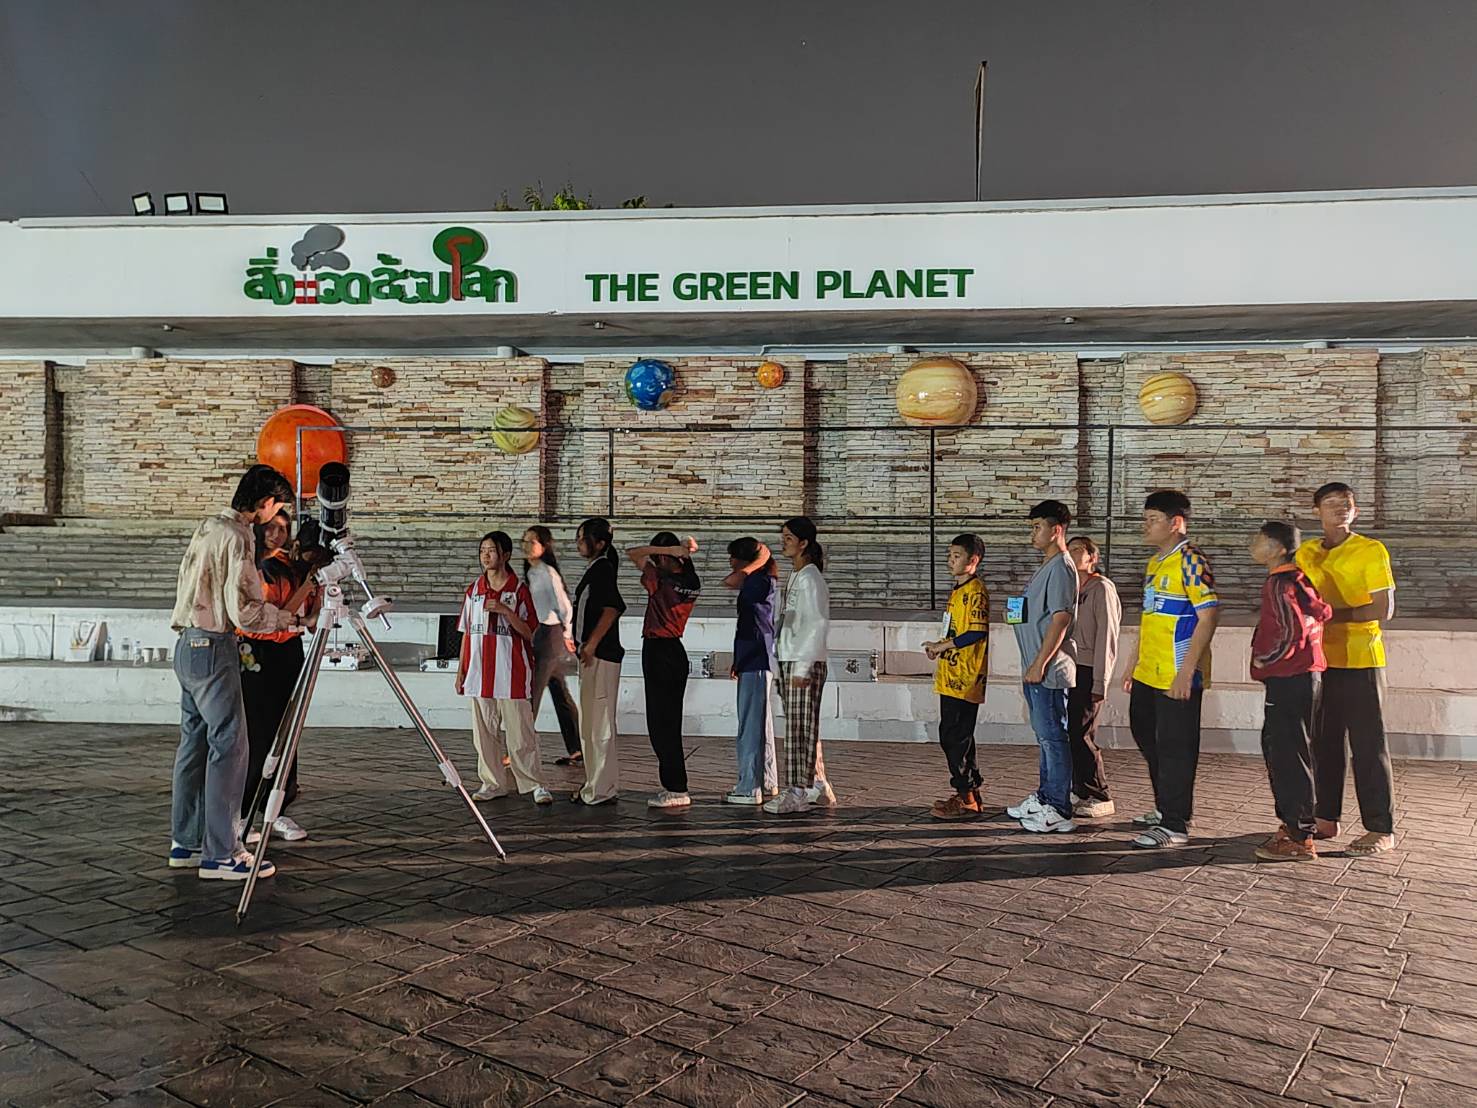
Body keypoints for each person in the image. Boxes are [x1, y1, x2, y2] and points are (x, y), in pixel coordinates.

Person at [169, 464, 303, 881]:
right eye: (276, 507)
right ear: (265, 503)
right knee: (231, 748)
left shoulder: (209, 526)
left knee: (194, 746)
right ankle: (223, 853)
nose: (274, 516)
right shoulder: (239, 535)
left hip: (188, 644)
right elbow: (244, 608)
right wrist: (286, 619)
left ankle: (187, 842)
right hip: (214, 646)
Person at [1296, 482, 1397, 856]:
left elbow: (1383, 608)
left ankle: (1380, 828)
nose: (1340, 508)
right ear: (1316, 511)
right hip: (1319, 660)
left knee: (1368, 746)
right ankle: (1325, 817)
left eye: (1347, 504)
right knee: (1324, 743)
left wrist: (1329, 616)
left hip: (1361, 659)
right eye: (1331, 503)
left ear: (1355, 512)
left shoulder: (1370, 550)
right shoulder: (1306, 552)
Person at [1117, 490, 1221, 850]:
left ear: (1175, 522)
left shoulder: (1191, 560)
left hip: (1177, 673)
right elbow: (1149, 618)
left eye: (1152, 520)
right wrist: (1132, 664)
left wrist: (1186, 672)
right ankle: (1165, 806)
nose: (1145, 526)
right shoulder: (1155, 563)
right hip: (1148, 671)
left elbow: (1208, 616)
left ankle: (1175, 823)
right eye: (1145, 519)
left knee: (1176, 748)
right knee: (1147, 736)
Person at [238, 511, 325, 844]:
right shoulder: (256, 568)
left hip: (290, 650)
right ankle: (244, 811)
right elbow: (268, 617)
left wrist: (318, 586)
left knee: (288, 730)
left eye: (284, 529)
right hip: (257, 652)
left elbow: (311, 618)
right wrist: (306, 591)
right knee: (258, 733)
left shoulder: (297, 569)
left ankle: (278, 807)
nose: (278, 534)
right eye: (272, 528)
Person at [1250, 521, 1332, 862]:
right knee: (1289, 750)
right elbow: (1322, 613)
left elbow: (1291, 631)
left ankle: (1299, 837)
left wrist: (1264, 660)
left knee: (1286, 754)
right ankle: (1296, 826)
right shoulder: (1298, 579)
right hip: (1304, 676)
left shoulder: (1279, 583)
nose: (1253, 545)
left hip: (1288, 677)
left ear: (1278, 549)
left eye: (1259, 540)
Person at [454, 531, 554, 806]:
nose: (486, 556)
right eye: (482, 550)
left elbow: (530, 631)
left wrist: (506, 612)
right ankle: (492, 782)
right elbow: (466, 633)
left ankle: (534, 783)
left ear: (506, 555)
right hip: (478, 672)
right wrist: (461, 671)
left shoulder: (519, 591)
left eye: (491, 550)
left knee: (521, 732)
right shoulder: (474, 590)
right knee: (484, 733)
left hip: (512, 672)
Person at [1004, 501, 1079, 833]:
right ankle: (1046, 797)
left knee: (1053, 738)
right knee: (1045, 737)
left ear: (1056, 530)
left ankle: (1059, 808)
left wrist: (1039, 663)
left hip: (1046, 670)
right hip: (1034, 666)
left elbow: (1061, 619)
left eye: (1037, 527)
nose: (1032, 533)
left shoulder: (1061, 567)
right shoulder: (1047, 566)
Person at [628, 532, 702, 808]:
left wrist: (669, 549)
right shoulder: (690, 581)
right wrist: (679, 552)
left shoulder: (660, 579)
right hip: (675, 651)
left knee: (660, 725)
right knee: (670, 722)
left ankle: (676, 787)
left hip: (659, 650)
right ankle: (674, 784)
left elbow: (633, 553)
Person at [921, 534, 990, 819]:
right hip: (951, 675)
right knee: (956, 736)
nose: (951, 561)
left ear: (973, 560)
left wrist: (943, 646)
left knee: (955, 737)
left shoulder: (975, 591)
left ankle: (966, 796)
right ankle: (969, 792)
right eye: (949, 556)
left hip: (965, 676)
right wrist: (938, 647)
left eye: (957, 556)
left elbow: (976, 631)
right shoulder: (958, 590)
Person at [766, 516, 832, 815]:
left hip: (803, 661)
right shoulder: (797, 576)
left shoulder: (810, 579)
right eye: (783, 537)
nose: (784, 542)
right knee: (802, 726)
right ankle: (818, 782)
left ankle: (797, 792)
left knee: (798, 730)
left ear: (804, 543)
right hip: (789, 658)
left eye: (789, 538)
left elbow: (817, 624)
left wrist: (803, 668)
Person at [1065, 536, 1121, 819]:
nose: (1072, 554)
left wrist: (1101, 680)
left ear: (1092, 558)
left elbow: (1107, 636)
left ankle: (1100, 793)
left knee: (1083, 732)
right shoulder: (1071, 589)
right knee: (1071, 732)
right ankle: (1080, 788)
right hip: (1069, 668)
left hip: (1088, 668)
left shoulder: (1101, 588)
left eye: (1078, 550)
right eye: (1069, 549)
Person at [571, 517, 625, 805]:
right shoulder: (596, 569)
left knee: (599, 725)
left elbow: (612, 608)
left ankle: (602, 788)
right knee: (590, 724)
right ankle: (593, 784)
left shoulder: (603, 569)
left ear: (600, 543)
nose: (579, 543)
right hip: (590, 655)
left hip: (601, 656)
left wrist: (591, 644)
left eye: (584, 538)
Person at [723, 537, 780, 805]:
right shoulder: (762, 581)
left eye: (734, 557)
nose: (731, 563)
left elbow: (730, 581)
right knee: (761, 724)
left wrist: (759, 560)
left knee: (750, 727)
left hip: (756, 657)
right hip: (755, 657)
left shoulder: (759, 581)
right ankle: (767, 780)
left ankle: (749, 786)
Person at [521, 526, 582, 766]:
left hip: (550, 634)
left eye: (532, 542)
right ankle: (577, 748)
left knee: (533, 691)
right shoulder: (531, 571)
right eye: (524, 541)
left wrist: (567, 633)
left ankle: (520, 747)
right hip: (538, 633)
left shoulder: (548, 572)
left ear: (544, 546)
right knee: (559, 691)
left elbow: (564, 606)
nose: (526, 546)